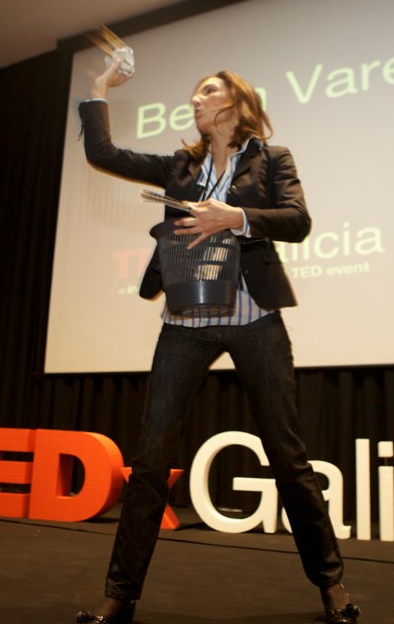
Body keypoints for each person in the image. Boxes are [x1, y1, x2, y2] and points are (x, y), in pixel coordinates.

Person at [74, 57, 360, 624]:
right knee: (151, 460)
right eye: (196, 93)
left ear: (234, 102)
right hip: (184, 322)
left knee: (287, 455)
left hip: (255, 318)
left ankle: (332, 588)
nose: (195, 100)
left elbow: (298, 221)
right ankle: (119, 597)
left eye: (206, 91)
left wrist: (235, 217)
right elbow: (103, 154)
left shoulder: (272, 159)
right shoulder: (180, 166)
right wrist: (99, 87)